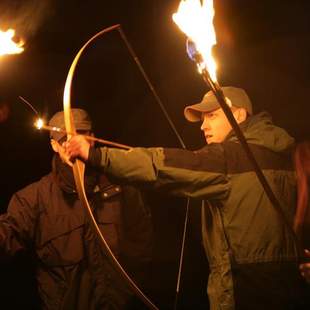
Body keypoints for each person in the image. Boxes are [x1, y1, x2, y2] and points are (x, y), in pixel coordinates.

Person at [65, 87, 310, 310]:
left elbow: (161, 165)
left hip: (247, 292)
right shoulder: (288, 155)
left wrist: (98, 157)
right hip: (293, 290)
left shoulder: (229, 158)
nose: (203, 126)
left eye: (212, 116)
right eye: (203, 119)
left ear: (238, 116)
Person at [0, 108, 153, 310]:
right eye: (64, 138)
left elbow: (143, 243)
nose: (72, 143)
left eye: (80, 134)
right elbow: (6, 235)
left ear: (93, 138)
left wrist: (126, 294)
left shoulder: (121, 187)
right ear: (54, 145)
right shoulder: (34, 198)